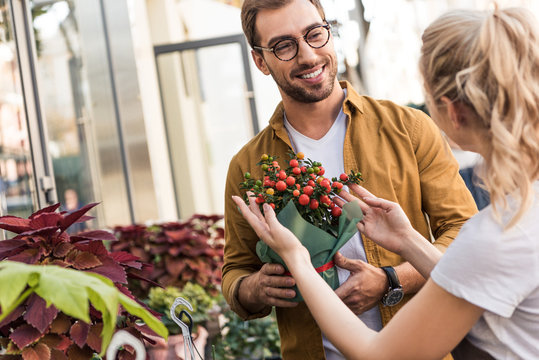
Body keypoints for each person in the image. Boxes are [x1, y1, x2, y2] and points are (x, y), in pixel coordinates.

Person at [233, 6, 539, 359]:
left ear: (451, 111)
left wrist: (298, 260)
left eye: (315, 33)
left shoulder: (493, 234)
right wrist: (408, 240)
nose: (307, 53)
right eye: (284, 45)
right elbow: (471, 279)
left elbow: (380, 355)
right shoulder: (515, 218)